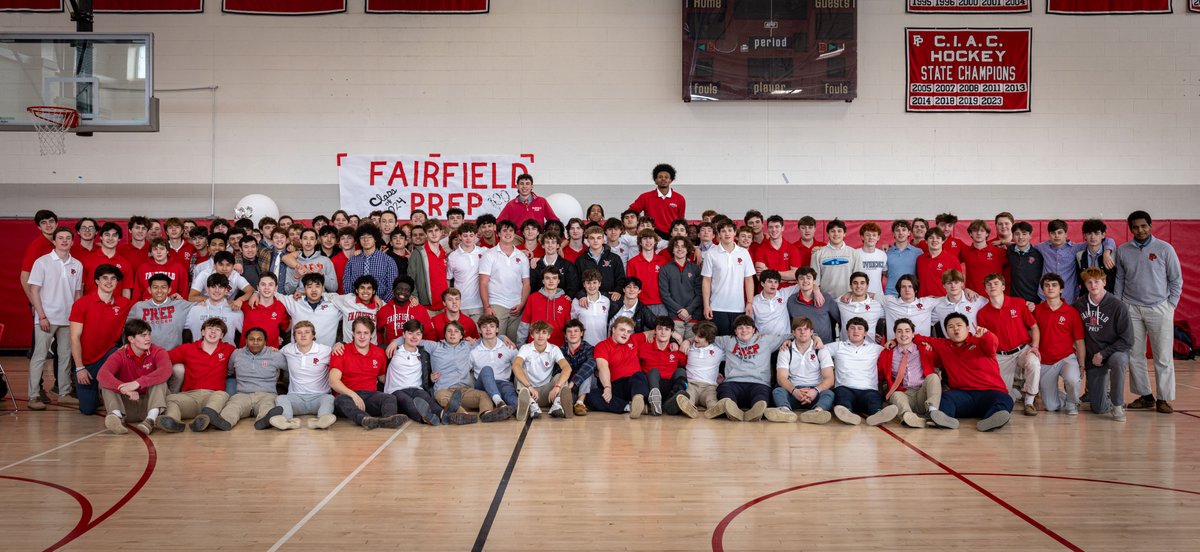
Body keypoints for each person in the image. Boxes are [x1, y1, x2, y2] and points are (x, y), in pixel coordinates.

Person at [1115, 210, 1182, 414]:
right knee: (1134, 354)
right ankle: (1145, 396)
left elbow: (1176, 279)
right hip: (1131, 308)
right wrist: (1120, 306)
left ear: (1150, 226)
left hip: (1159, 307)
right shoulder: (1123, 250)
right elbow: (1120, 279)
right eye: (1135, 227)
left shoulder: (1164, 248)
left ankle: (1163, 398)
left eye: (1144, 226)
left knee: (1162, 355)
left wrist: (1170, 305)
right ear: (1131, 229)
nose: (1140, 230)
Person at [912, 314, 1015, 431]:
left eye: (959, 325)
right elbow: (914, 337)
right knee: (946, 398)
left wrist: (986, 334)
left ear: (967, 328)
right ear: (946, 332)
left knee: (1005, 400)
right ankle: (945, 420)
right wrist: (895, 341)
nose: (955, 328)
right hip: (962, 395)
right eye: (950, 327)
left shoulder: (981, 340)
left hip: (989, 392)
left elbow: (992, 344)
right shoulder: (942, 344)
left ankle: (990, 420)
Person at [27, 227, 84, 409]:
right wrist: (41, 315)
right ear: (54, 241)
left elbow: (78, 294)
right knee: (39, 357)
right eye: (60, 238)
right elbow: (34, 290)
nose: (64, 241)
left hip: (68, 319)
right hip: (46, 318)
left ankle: (64, 393)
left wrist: (76, 318)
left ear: (72, 242)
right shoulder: (42, 262)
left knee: (66, 356)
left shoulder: (77, 264)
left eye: (68, 238)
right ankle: (34, 396)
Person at [70, 264, 134, 415]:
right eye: (105, 278)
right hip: (87, 363)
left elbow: (146, 306)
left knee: (120, 354)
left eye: (113, 278)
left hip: (109, 354)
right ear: (96, 281)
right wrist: (80, 368)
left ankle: (117, 404)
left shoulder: (124, 304)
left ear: (117, 282)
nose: (109, 281)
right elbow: (74, 337)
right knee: (88, 409)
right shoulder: (82, 304)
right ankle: (97, 390)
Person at [974, 273, 1041, 416]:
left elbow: (1034, 326)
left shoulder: (1018, 303)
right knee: (1002, 396)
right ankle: (1016, 393)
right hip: (1001, 355)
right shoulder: (982, 314)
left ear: (1003, 287)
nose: (992, 286)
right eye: (989, 285)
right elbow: (985, 340)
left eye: (996, 283)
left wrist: (1035, 346)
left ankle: (1029, 401)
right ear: (985, 290)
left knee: (1034, 362)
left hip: (1023, 350)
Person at [1074, 267, 1132, 421]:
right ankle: (1103, 398)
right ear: (1085, 284)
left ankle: (1118, 404)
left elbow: (1127, 340)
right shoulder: (1079, 305)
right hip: (1093, 358)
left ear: (1104, 282)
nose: (1093, 285)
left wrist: (1104, 354)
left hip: (1113, 353)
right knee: (1098, 409)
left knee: (1119, 361)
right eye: (1089, 282)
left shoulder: (1118, 306)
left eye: (1097, 282)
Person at [156, 318, 234, 432]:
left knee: (222, 395)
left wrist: (269, 350)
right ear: (202, 332)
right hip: (190, 396)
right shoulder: (188, 348)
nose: (213, 332)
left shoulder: (228, 349)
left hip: (212, 396)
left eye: (217, 330)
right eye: (210, 328)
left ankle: (204, 419)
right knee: (170, 399)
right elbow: (163, 357)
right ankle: (173, 422)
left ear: (222, 335)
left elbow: (247, 354)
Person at [97, 319, 172, 435]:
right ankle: (116, 416)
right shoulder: (119, 355)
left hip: (151, 405)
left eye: (149, 334)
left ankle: (150, 421)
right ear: (131, 339)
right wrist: (123, 389)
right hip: (128, 406)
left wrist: (137, 383)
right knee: (105, 383)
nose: (148, 338)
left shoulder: (158, 351)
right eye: (143, 335)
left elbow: (166, 370)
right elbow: (102, 374)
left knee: (160, 380)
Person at [415, 320, 497, 424]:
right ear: (445, 334)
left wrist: (504, 338)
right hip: (445, 390)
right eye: (449, 331)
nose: (452, 333)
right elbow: (414, 339)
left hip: (465, 391)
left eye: (456, 331)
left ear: (461, 335)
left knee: (484, 395)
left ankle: (486, 414)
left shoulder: (468, 345)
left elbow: (489, 338)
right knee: (440, 396)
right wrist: (395, 342)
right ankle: (463, 415)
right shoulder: (435, 346)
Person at [710, 315, 790, 422]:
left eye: (748, 327)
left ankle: (756, 411)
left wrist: (814, 337)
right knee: (725, 391)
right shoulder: (728, 340)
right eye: (740, 328)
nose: (744, 330)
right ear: (735, 331)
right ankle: (731, 409)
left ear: (753, 330)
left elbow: (793, 335)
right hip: (734, 382)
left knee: (761, 396)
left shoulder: (765, 340)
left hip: (758, 383)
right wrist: (688, 341)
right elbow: (705, 336)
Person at [386, 319, 463, 425]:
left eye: (418, 334)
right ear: (403, 334)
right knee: (408, 402)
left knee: (428, 399)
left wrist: (431, 379)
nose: (414, 337)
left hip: (417, 389)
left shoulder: (424, 355)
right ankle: (425, 418)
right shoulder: (393, 351)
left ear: (421, 336)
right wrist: (394, 342)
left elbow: (426, 378)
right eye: (410, 333)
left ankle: (443, 415)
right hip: (397, 390)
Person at [825, 317, 899, 426]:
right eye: (852, 328)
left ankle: (877, 415)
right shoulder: (837, 346)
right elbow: (817, 348)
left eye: (860, 328)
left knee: (873, 400)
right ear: (847, 331)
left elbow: (897, 349)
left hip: (868, 390)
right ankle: (847, 414)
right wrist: (816, 339)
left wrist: (894, 341)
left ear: (865, 333)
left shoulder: (876, 348)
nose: (855, 331)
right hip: (845, 388)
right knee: (843, 397)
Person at [877, 318, 950, 429]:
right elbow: (879, 375)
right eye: (899, 331)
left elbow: (942, 364)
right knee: (896, 395)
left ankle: (933, 413)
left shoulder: (925, 349)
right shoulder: (886, 353)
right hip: (903, 394)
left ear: (913, 334)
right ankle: (908, 416)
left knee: (933, 377)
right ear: (895, 334)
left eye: (907, 331)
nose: (903, 334)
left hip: (922, 393)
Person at [216, 326, 289, 430]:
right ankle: (224, 423)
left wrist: (284, 385)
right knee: (232, 407)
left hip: (267, 394)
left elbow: (289, 370)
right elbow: (229, 371)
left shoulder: (275, 355)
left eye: (259, 339)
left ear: (265, 341)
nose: (255, 342)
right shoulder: (237, 354)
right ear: (246, 340)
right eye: (251, 339)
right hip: (242, 394)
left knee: (268, 407)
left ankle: (264, 421)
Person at [1033, 273, 1085, 415]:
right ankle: (1062, 396)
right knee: (1051, 406)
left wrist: (1081, 364)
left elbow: (1079, 341)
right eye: (1047, 285)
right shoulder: (1036, 310)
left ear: (1061, 289)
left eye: (1054, 285)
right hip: (1045, 361)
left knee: (1073, 380)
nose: (1050, 288)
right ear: (1042, 290)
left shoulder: (1072, 312)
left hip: (1066, 358)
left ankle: (1072, 403)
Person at [270, 321, 337, 430]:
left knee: (329, 399)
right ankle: (288, 421)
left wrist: (340, 344)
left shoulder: (325, 350)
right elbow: (276, 355)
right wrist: (272, 350)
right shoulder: (288, 349)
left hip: (319, 397)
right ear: (294, 336)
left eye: (307, 332)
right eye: (299, 333)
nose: (303, 335)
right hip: (296, 398)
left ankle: (321, 420)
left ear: (313, 335)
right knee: (281, 398)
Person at [768, 317, 835, 424]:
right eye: (799, 329)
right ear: (793, 333)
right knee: (778, 391)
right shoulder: (785, 350)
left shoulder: (821, 349)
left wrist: (815, 391)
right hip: (793, 391)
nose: (803, 332)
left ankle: (817, 412)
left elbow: (830, 378)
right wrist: (794, 391)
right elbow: (781, 378)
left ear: (812, 332)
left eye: (806, 329)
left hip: (814, 392)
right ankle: (785, 411)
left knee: (828, 394)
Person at [586, 317, 651, 418]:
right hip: (614, 387)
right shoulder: (602, 346)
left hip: (633, 385)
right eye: (622, 330)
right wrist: (607, 387)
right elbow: (602, 367)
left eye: (629, 331)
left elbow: (655, 332)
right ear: (613, 329)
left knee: (639, 375)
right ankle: (630, 407)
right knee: (591, 395)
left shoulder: (634, 340)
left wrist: (674, 337)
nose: (625, 334)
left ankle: (638, 399)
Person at [479, 219, 531, 342]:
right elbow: (483, 283)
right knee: (496, 342)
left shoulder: (521, 256)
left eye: (511, 231)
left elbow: (526, 283)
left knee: (514, 344)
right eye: (504, 230)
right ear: (498, 234)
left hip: (516, 306)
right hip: (497, 305)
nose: (508, 233)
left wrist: (522, 304)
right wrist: (487, 307)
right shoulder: (489, 255)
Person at [702, 219, 755, 336]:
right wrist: (706, 305)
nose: (727, 233)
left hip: (738, 307)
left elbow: (749, 279)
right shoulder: (711, 253)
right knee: (719, 344)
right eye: (723, 231)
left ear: (735, 233)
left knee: (736, 345)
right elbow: (706, 281)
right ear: (719, 234)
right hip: (717, 307)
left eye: (730, 230)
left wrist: (749, 302)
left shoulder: (744, 253)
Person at [512, 321, 574, 420]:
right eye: (537, 332)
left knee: (560, 376)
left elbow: (567, 368)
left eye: (544, 332)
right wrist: (530, 387)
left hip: (548, 394)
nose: (541, 335)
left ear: (549, 335)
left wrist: (557, 387)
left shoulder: (554, 349)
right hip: (529, 391)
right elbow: (516, 365)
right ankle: (531, 405)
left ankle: (557, 405)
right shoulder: (525, 348)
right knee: (520, 370)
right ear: (532, 335)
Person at [128, 274, 194, 351]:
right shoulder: (138, 307)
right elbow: (128, 330)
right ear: (149, 289)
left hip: (172, 354)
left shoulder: (180, 304)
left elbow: (203, 305)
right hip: (145, 354)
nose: (159, 291)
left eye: (163, 287)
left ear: (169, 289)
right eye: (155, 287)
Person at [470, 314, 521, 415]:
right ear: (480, 330)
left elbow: (519, 366)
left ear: (497, 329)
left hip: (503, 383)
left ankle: (516, 410)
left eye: (492, 326)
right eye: (484, 327)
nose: (488, 329)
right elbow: (463, 371)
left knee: (510, 396)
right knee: (487, 369)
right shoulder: (474, 351)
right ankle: (499, 402)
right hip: (482, 386)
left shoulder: (508, 347)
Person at [273, 273, 341, 347]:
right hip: (297, 355)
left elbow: (351, 301)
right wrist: (257, 294)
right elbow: (272, 294)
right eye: (309, 287)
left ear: (323, 288)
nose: (314, 290)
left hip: (325, 355)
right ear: (304, 289)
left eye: (317, 286)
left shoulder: (334, 305)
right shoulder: (295, 301)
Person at [659, 236, 702, 340]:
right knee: (675, 348)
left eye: (683, 246)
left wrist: (688, 310)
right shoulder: (665, 269)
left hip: (693, 316)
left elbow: (700, 294)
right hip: (674, 316)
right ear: (672, 250)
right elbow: (665, 295)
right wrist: (680, 310)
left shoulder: (695, 269)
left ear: (687, 249)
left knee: (691, 349)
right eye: (676, 246)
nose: (680, 249)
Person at [185, 274, 245, 349]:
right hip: (199, 357)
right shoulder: (194, 310)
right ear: (207, 289)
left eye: (221, 287)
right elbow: (177, 329)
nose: (217, 290)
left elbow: (248, 335)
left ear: (226, 290)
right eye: (213, 287)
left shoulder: (236, 312)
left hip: (226, 357)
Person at [343, 224, 398, 303]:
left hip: (381, 305)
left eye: (369, 237)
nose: (366, 240)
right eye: (362, 237)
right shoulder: (352, 261)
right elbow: (347, 285)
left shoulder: (388, 261)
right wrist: (353, 303)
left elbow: (392, 287)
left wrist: (382, 303)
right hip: (356, 306)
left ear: (375, 239)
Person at [628, 163, 685, 239]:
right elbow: (631, 212)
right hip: (651, 235)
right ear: (655, 180)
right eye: (660, 177)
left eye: (666, 177)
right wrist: (639, 225)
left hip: (671, 236)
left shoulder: (680, 198)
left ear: (670, 180)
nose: (663, 179)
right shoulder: (645, 197)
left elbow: (680, 221)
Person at [518, 267, 572, 345]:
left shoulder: (566, 301)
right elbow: (525, 323)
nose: (551, 281)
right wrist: (520, 345)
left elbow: (569, 327)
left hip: (558, 347)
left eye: (554, 278)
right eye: (547, 278)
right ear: (543, 281)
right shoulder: (533, 298)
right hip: (534, 347)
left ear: (558, 281)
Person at [810, 219, 861, 299]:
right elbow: (814, 280)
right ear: (828, 233)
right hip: (825, 299)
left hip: (848, 298)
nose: (836, 234)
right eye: (832, 231)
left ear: (844, 234)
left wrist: (852, 294)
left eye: (839, 231)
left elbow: (859, 278)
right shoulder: (818, 253)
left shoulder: (854, 253)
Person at [376, 275, 435, 345]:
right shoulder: (384, 311)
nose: (402, 292)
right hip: (391, 351)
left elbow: (429, 333)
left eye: (407, 290)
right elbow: (378, 332)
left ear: (410, 293)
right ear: (393, 290)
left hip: (414, 350)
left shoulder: (420, 310)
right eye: (399, 289)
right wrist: (381, 347)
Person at [81, 222, 135, 298]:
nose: (110, 238)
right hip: (91, 308)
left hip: (114, 308)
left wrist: (125, 308)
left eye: (114, 235)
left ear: (119, 239)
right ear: (101, 237)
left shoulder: (125, 263)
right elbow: (80, 288)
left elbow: (126, 291)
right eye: (107, 235)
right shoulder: (87, 260)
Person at [446, 222, 486, 320]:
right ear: (460, 236)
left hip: (479, 304)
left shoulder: (484, 252)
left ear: (476, 236)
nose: (468, 239)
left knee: (477, 335)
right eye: (465, 235)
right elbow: (447, 279)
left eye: (471, 235)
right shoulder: (453, 256)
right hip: (460, 305)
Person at [785, 267, 838, 343]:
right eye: (801, 278)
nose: (805, 281)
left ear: (814, 281)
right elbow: (789, 325)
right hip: (802, 346)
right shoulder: (791, 301)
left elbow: (839, 319)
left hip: (825, 344)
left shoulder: (826, 298)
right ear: (797, 282)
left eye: (808, 278)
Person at [574, 225, 625, 301]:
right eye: (592, 238)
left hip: (611, 298)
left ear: (603, 239)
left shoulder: (614, 258)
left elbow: (621, 278)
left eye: (598, 238)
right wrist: (581, 295)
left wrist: (618, 291)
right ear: (587, 240)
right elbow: (576, 282)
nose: (595, 241)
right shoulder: (580, 260)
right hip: (588, 300)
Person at [408, 220, 450, 312]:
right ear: (426, 234)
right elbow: (410, 279)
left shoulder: (445, 253)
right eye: (430, 231)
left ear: (441, 232)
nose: (434, 234)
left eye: (436, 230)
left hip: (445, 305)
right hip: (426, 307)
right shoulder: (418, 253)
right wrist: (415, 298)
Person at [239, 272, 289, 347]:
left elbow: (286, 328)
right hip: (246, 353)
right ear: (258, 287)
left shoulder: (280, 307)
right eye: (263, 284)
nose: (267, 288)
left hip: (270, 353)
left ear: (276, 288)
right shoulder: (247, 304)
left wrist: (276, 337)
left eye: (271, 284)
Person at [20, 210, 59, 305]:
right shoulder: (36, 246)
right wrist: (34, 302)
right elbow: (24, 276)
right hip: (42, 300)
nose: (48, 225)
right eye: (44, 223)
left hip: (58, 298)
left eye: (51, 221)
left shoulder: (60, 243)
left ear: (57, 223)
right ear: (39, 227)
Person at [960, 220, 1009, 295]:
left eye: (982, 231)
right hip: (973, 297)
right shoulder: (965, 251)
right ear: (970, 233)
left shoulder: (999, 252)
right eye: (975, 230)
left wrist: (1006, 243)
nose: (979, 233)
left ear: (987, 234)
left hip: (994, 297)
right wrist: (962, 288)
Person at [880, 275, 937, 340]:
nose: (907, 290)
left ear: (915, 290)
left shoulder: (927, 302)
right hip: (895, 346)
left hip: (922, 347)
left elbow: (946, 300)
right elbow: (871, 296)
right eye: (903, 287)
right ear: (899, 290)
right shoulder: (889, 301)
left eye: (910, 286)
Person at [930, 270, 986, 336]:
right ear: (943, 285)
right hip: (951, 344)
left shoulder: (974, 299)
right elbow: (923, 319)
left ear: (962, 283)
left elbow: (995, 305)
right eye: (949, 283)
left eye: (956, 282)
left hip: (974, 343)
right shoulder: (938, 305)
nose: (953, 286)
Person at [559, 319, 596, 416]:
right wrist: (566, 386)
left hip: (587, 386)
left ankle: (580, 402)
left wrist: (573, 382)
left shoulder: (589, 348)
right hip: (569, 388)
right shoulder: (560, 351)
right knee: (560, 373)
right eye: (569, 331)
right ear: (565, 335)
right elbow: (558, 371)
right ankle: (568, 403)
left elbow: (591, 364)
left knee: (587, 371)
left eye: (576, 331)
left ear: (581, 333)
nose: (573, 334)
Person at [834, 272, 883, 342]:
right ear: (850, 286)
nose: (858, 286)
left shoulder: (877, 305)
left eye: (862, 283)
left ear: (867, 286)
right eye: (855, 283)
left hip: (869, 349)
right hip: (845, 348)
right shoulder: (841, 302)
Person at [189, 251, 254, 304]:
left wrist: (240, 300)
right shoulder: (205, 274)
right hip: (205, 306)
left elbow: (250, 290)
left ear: (233, 266)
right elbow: (191, 297)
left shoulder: (235, 276)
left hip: (226, 308)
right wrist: (217, 300)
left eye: (228, 265)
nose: (224, 268)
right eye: (220, 264)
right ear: (214, 265)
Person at [531, 231, 580, 299]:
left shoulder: (568, 266)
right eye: (547, 242)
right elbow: (532, 288)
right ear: (543, 245)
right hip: (540, 304)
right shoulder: (536, 265)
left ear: (558, 245)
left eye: (553, 242)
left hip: (561, 305)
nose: (550, 245)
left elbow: (573, 288)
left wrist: (567, 299)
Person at [915, 228, 962, 298]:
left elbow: (959, 283)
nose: (934, 240)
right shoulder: (920, 259)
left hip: (944, 301)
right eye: (931, 238)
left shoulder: (952, 260)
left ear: (943, 241)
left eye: (938, 238)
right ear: (926, 241)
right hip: (923, 301)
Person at [1006, 221, 1045, 304]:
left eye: (1024, 234)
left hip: (1034, 301)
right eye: (1017, 234)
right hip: (1013, 300)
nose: (1020, 237)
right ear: (1012, 236)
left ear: (1030, 235)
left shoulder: (1038, 254)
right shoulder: (1008, 251)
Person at [752, 270, 797, 338]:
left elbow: (803, 285)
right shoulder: (754, 301)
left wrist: (816, 289)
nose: (773, 285)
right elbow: (749, 325)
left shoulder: (783, 293)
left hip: (784, 341)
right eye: (770, 281)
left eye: (776, 282)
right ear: (762, 283)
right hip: (764, 342)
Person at [572, 269, 611, 346]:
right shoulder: (577, 301)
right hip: (583, 346)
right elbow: (573, 323)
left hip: (602, 345)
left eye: (594, 282)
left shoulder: (606, 301)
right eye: (588, 283)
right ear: (584, 284)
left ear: (599, 283)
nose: (592, 286)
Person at [1076, 219, 1116, 294]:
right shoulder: (1079, 255)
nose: (1093, 237)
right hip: (1087, 297)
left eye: (1097, 233)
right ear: (1084, 235)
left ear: (1103, 235)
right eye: (1089, 233)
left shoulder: (1112, 254)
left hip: (1108, 297)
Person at [885, 219, 920, 297]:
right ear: (893, 233)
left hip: (910, 295)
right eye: (897, 230)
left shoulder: (918, 252)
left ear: (908, 233)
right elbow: (885, 273)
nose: (900, 233)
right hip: (891, 294)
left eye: (904, 230)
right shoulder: (886, 253)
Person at [856, 223, 888, 298]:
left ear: (878, 237)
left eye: (874, 235)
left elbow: (885, 272)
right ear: (862, 237)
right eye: (867, 235)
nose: (871, 237)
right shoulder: (855, 254)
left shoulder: (882, 255)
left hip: (878, 296)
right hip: (860, 296)